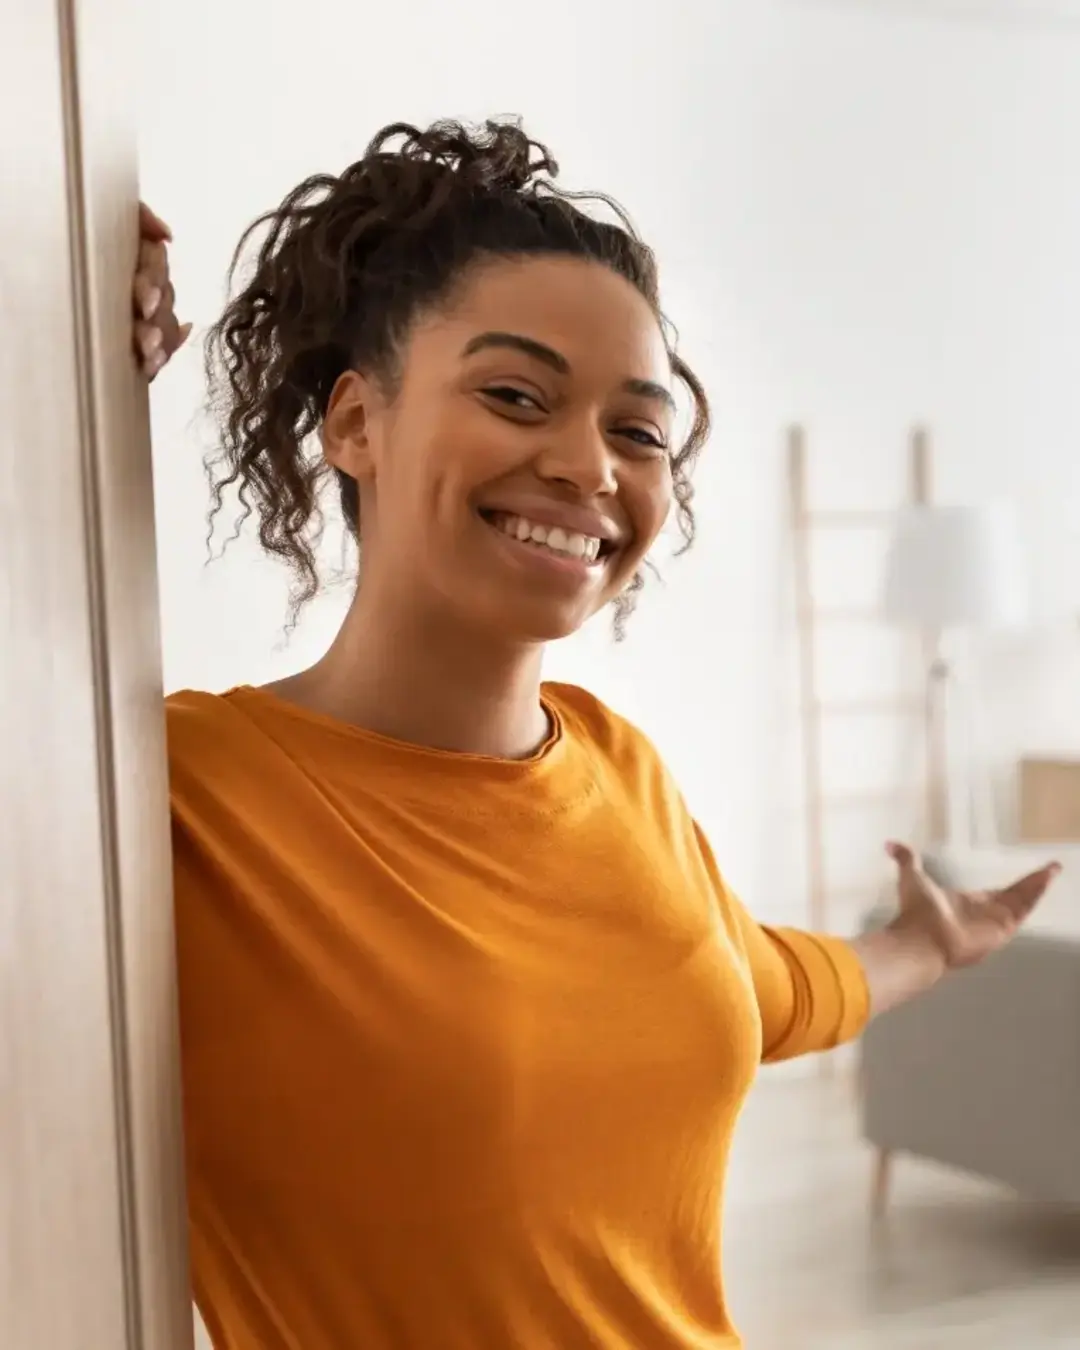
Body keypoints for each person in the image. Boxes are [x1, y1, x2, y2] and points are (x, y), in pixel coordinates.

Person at [135, 119, 1059, 1350]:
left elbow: (752, 986)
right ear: (356, 422)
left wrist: (926, 951)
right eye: (516, 396)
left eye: (638, 431)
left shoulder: (616, 765)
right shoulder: (183, 796)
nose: (587, 467)